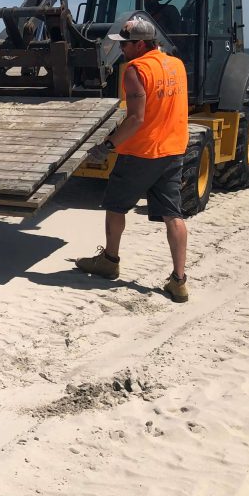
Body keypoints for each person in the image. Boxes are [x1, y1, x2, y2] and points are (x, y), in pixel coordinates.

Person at [76, 15, 190, 302]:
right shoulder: (176, 65)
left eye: (125, 44)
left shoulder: (135, 69)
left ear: (140, 44)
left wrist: (108, 144)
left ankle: (109, 261)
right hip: (173, 150)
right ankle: (179, 280)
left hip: (140, 152)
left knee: (115, 206)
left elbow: (137, 118)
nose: (121, 49)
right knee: (172, 215)